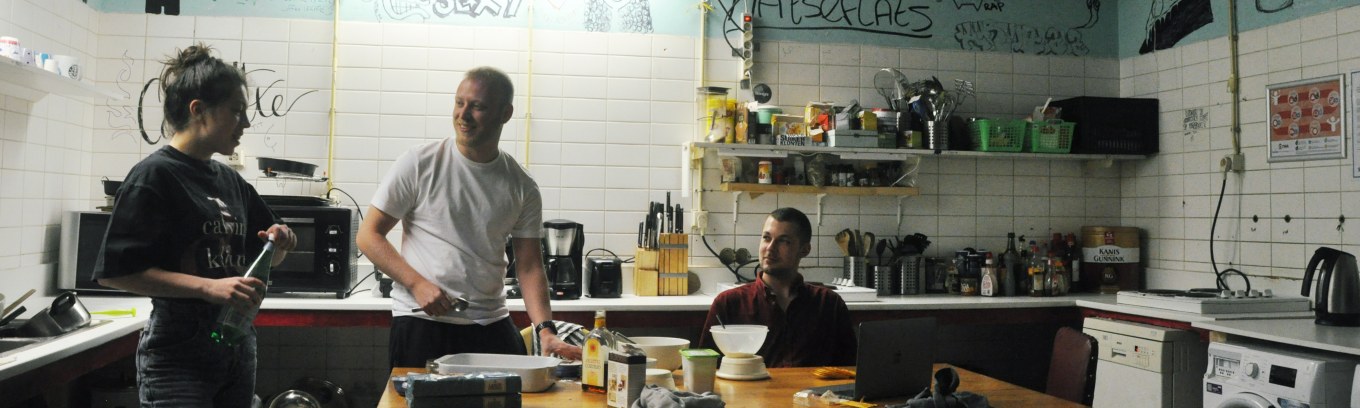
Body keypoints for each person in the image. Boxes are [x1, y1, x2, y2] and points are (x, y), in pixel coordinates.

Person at [94, 43, 297, 407]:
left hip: (236, 347)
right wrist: (208, 288)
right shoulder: (154, 175)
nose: (246, 123)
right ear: (198, 110)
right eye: (237, 111)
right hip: (179, 358)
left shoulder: (230, 180)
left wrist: (278, 243)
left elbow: (268, 258)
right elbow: (116, 273)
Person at [357, 66, 579, 368]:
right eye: (459, 103)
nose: (463, 115)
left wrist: (546, 331)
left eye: (477, 106)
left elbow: (529, 267)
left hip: (490, 320)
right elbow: (368, 235)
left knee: (515, 391)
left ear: (505, 114)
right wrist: (417, 284)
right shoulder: (419, 163)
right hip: (422, 320)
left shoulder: (521, 185)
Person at [699, 207, 856, 367]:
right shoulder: (729, 303)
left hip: (812, 384)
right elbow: (704, 368)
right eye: (766, 238)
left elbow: (851, 369)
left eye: (783, 241)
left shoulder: (829, 304)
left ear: (805, 249)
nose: (770, 248)